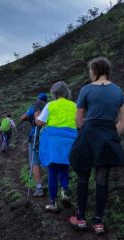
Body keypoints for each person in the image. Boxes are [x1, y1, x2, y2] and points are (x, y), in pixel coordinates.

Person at [69, 57, 124, 234]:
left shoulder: (86, 89)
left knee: (83, 176)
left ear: (95, 70)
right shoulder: (118, 90)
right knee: (102, 179)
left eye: (90, 70)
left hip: (88, 134)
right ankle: (98, 222)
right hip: (107, 137)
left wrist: (85, 133)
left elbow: (78, 119)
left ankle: (80, 218)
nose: (90, 73)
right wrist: (110, 136)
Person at [36, 81, 78, 212]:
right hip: (69, 141)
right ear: (67, 93)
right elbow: (79, 122)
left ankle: (53, 203)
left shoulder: (50, 105)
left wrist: (37, 116)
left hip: (53, 141)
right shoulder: (74, 105)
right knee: (64, 167)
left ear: (54, 93)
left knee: (53, 171)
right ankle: (65, 191)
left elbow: (40, 122)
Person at [20, 93, 48, 197]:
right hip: (47, 135)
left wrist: (28, 117)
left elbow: (22, 117)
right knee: (48, 159)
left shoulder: (34, 106)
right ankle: (52, 183)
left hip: (35, 135)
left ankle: (39, 187)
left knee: (35, 162)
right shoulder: (49, 107)